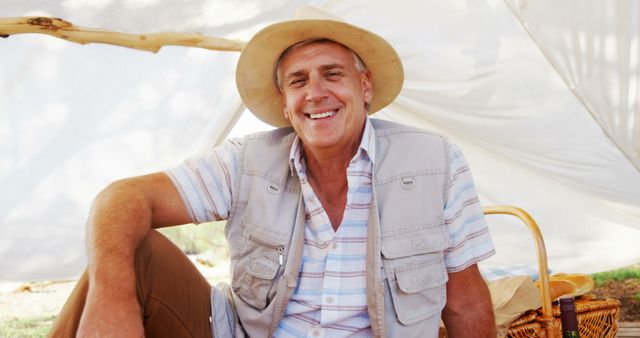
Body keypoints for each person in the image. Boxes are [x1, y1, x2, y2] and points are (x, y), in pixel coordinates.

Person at [49, 14, 496, 338]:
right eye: (298, 81)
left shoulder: (434, 161)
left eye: (332, 74)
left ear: (365, 86)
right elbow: (123, 197)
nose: (316, 92)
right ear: (285, 105)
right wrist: (113, 301)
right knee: (133, 251)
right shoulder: (248, 160)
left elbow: (466, 301)